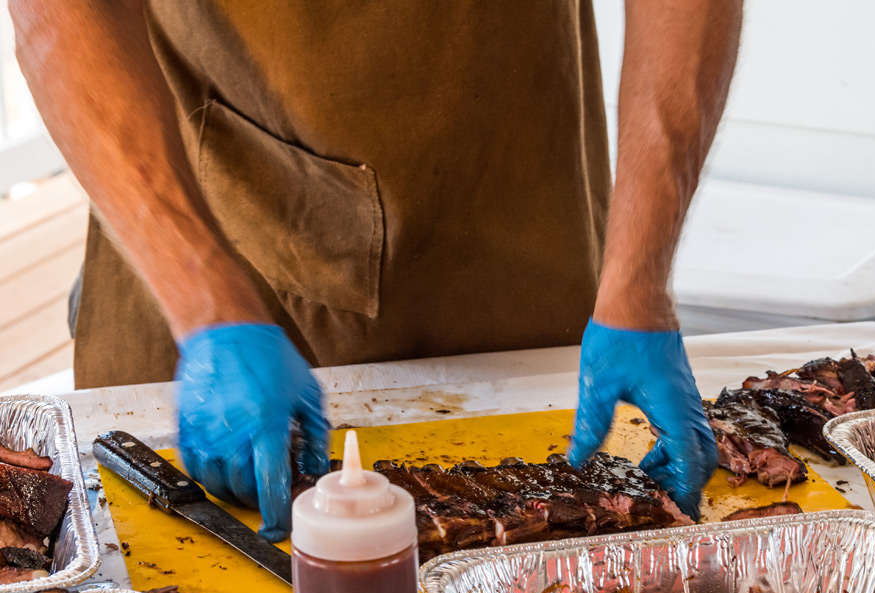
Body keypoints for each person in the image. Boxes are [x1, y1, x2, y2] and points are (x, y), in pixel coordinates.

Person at [12, 1, 738, 540]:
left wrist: (637, 286)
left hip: (521, 193)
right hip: (220, 219)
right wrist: (207, 308)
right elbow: (60, 15)